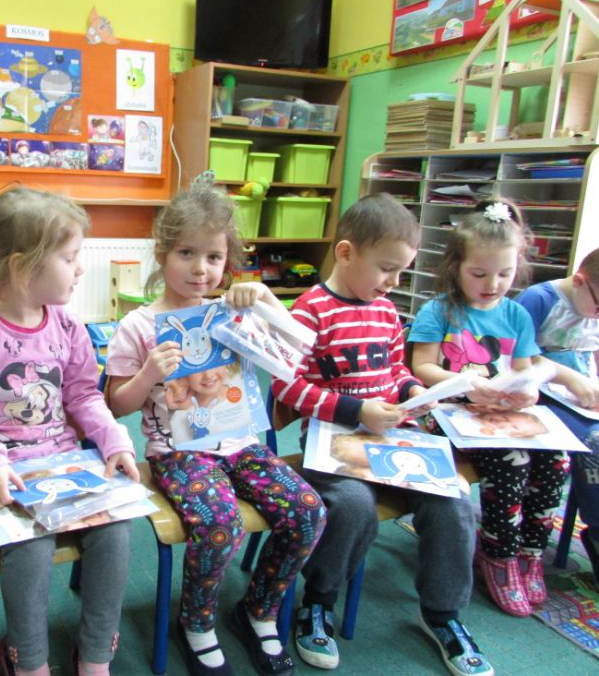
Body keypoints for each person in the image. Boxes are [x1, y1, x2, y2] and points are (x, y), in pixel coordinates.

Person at [106, 179, 326, 676]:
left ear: (227, 261)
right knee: (219, 523)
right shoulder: (139, 325)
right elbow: (116, 405)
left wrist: (264, 297)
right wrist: (149, 374)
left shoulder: (234, 312)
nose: (200, 269)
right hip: (178, 453)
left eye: (213, 257)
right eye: (186, 253)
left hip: (241, 444)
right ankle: (197, 622)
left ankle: (258, 609)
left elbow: (296, 347)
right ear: (162, 254)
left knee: (308, 511)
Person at [275, 193, 491, 676]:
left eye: (401, 272)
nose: (394, 282)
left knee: (453, 499)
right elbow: (286, 386)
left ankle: (444, 614)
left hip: (394, 439)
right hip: (333, 443)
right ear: (346, 253)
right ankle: (319, 601)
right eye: (387, 269)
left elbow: (395, 370)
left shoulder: (387, 311)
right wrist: (357, 409)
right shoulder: (309, 311)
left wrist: (413, 390)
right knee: (353, 506)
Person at [0, 187, 139, 676]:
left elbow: (84, 395)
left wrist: (113, 440)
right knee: (30, 550)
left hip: (64, 467)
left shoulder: (67, 325)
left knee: (117, 533)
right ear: (22, 267)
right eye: (70, 257)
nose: (81, 268)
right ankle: (27, 660)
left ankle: (95, 655)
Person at [409, 199, 568, 619]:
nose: (492, 284)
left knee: (556, 458)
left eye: (504, 273)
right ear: (456, 266)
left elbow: (525, 370)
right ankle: (498, 554)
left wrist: (526, 392)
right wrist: (467, 384)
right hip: (448, 415)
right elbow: (422, 366)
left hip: (499, 415)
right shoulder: (438, 310)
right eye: (479, 274)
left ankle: (530, 552)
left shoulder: (516, 315)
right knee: (513, 460)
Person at [515, 246, 599, 583]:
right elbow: (513, 356)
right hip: (540, 399)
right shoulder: (540, 300)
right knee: (594, 445)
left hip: (581, 401)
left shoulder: (592, 306)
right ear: (579, 281)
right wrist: (571, 379)